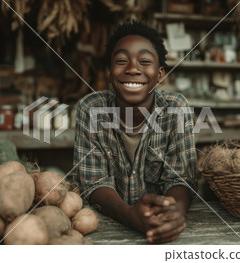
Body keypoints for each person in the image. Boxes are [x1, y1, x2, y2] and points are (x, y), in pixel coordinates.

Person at [72, 21, 198, 243]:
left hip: (160, 225)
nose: (132, 68)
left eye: (145, 61)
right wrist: (129, 215)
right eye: (122, 61)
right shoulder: (91, 109)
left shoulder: (176, 108)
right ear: (109, 73)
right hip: (105, 232)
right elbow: (93, 182)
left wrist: (174, 211)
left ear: (160, 75)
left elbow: (181, 177)